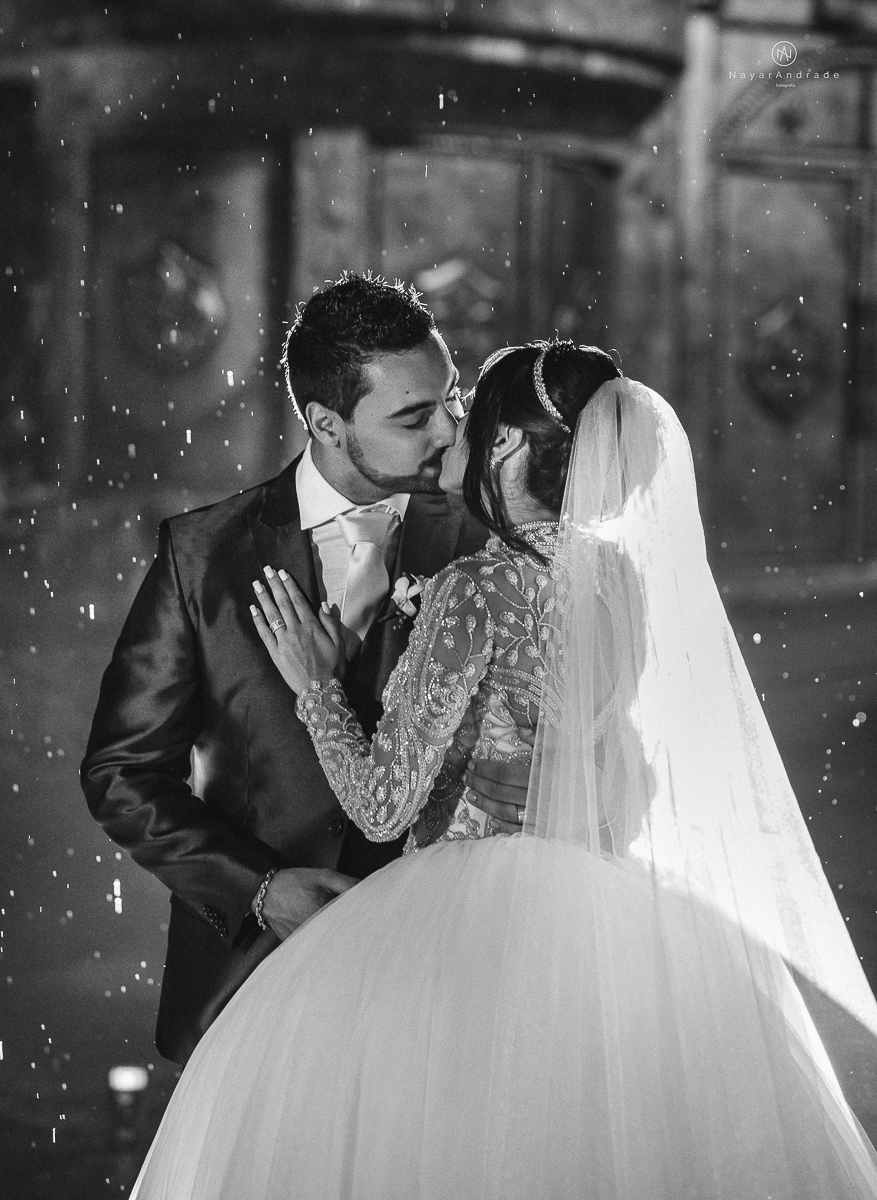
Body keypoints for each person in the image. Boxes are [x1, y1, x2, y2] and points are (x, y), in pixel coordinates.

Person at [131, 342, 877, 1198]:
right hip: (600, 910)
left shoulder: (479, 589)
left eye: (471, 416)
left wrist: (316, 687)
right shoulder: (624, 577)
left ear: (512, 447)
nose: (454, 433)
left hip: (466, 916)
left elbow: (381, 806)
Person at [80, 273, 509, 1065]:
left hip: (443, 974)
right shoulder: (202, 555)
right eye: (414, 416)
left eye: (451, 400)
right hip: (252, 983)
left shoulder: (488, 547)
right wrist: (261, 889)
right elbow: (122, 773)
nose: (450, 433)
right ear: (325, 422)